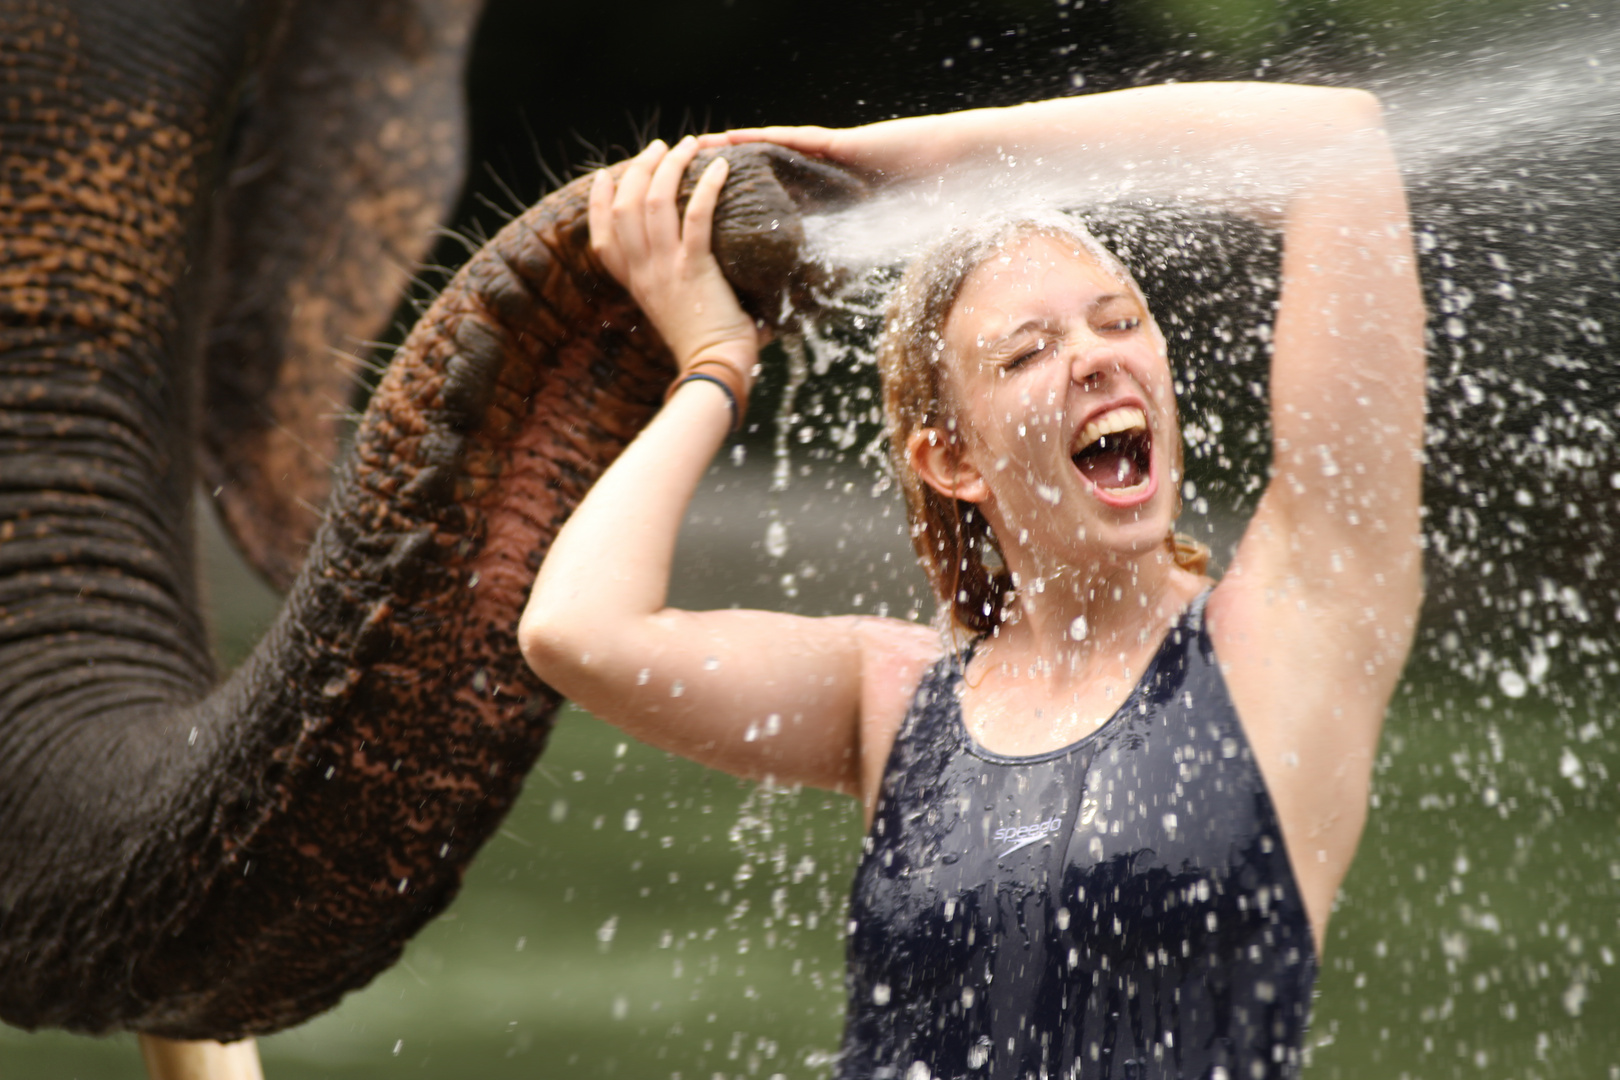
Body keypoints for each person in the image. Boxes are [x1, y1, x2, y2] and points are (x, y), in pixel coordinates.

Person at [519, 83, 1424, 1080]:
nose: (1094, 359)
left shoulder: (1290, 633)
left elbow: (1335, 140)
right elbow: (575, 627)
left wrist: (918, 163)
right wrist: (714, 366)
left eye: (1120, 323)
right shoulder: (894, 699)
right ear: (953, 460)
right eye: (1028, 352)